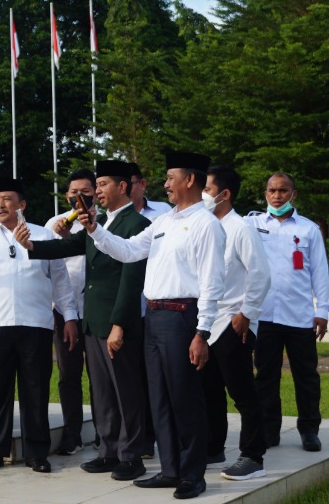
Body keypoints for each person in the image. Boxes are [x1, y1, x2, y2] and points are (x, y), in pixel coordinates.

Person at [79, 151, 225, 501]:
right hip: (154, 318)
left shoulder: (206, 224)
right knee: (158, 399)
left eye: (170, 177)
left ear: (190, 180)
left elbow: (211, 282)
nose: (165, 184)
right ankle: (170, 469)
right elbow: (128, 251)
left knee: (185, 398)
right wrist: (94, 228)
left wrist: (202, 332)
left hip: (182, 317)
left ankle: (192, 474)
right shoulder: (162, 222)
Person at [20, 159, 151, 481]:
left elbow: (131, 280)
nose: (98, 192)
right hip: (92, 319)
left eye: (103, 185)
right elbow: (68, 245)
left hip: (117, 322)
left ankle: (131, 455)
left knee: (126, 392)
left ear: (122, 187)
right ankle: (108, 451)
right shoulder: (101, 223)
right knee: (104, 392)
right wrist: (30, 245)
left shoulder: (136, 224)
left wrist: (119, 323)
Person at [0, 177, 78, 474]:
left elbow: (61, 282)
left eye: (6, 199)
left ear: (22, 205)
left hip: (36, 324)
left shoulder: (45, 235)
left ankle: (37, 453)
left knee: (35, 390)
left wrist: (69, 316)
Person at [252, 173, 329, 453]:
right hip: (263, 316)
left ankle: (309, 430)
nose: (277, 196)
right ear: (265, 194)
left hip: (299, 316)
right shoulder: (252, 225)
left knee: (306, 376)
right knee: (265, 376)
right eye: (272, 190)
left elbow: (320, 272)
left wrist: (322, 310)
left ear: (293, 194)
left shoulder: (308, 229)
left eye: (283, 191)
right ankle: (269, 430)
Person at [201, 166, 271, 481]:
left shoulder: (241, 228)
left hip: (234, 321)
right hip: (207, 322)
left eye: (206, 188)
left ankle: (253, 455)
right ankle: (214, 449)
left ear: (224, 194)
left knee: (242, 391)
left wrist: (247, 312)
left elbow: (260, 274)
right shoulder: (205, 227)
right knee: (210, 389)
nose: (202, 194)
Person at [38, 169, 94, 456]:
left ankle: (107, 433)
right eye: (73, 192)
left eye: (85, 192)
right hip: (64, 310)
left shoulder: (103, 222)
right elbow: (53, 269)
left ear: (95, 193)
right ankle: (73, 434)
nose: (78, 197)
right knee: (68, 374)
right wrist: (62, 237)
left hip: (97, 310)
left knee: (101, 376)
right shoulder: (54, 223)